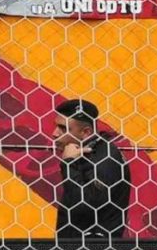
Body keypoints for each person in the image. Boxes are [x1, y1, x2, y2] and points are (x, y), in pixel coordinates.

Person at [53, 99, 131, 238]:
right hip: (78, 249)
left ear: (86, 132)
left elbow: (85, 205)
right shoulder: (86, 153)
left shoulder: (106, 157)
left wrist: (68, 163)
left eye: (63, 128)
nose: (55, 133)